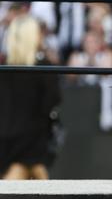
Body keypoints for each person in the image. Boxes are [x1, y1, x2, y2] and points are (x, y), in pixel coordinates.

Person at [0, 11, 61, 180]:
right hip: (34, 140)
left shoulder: (3, 68)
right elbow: (53, 99)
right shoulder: (43, 67)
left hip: (6, 140)